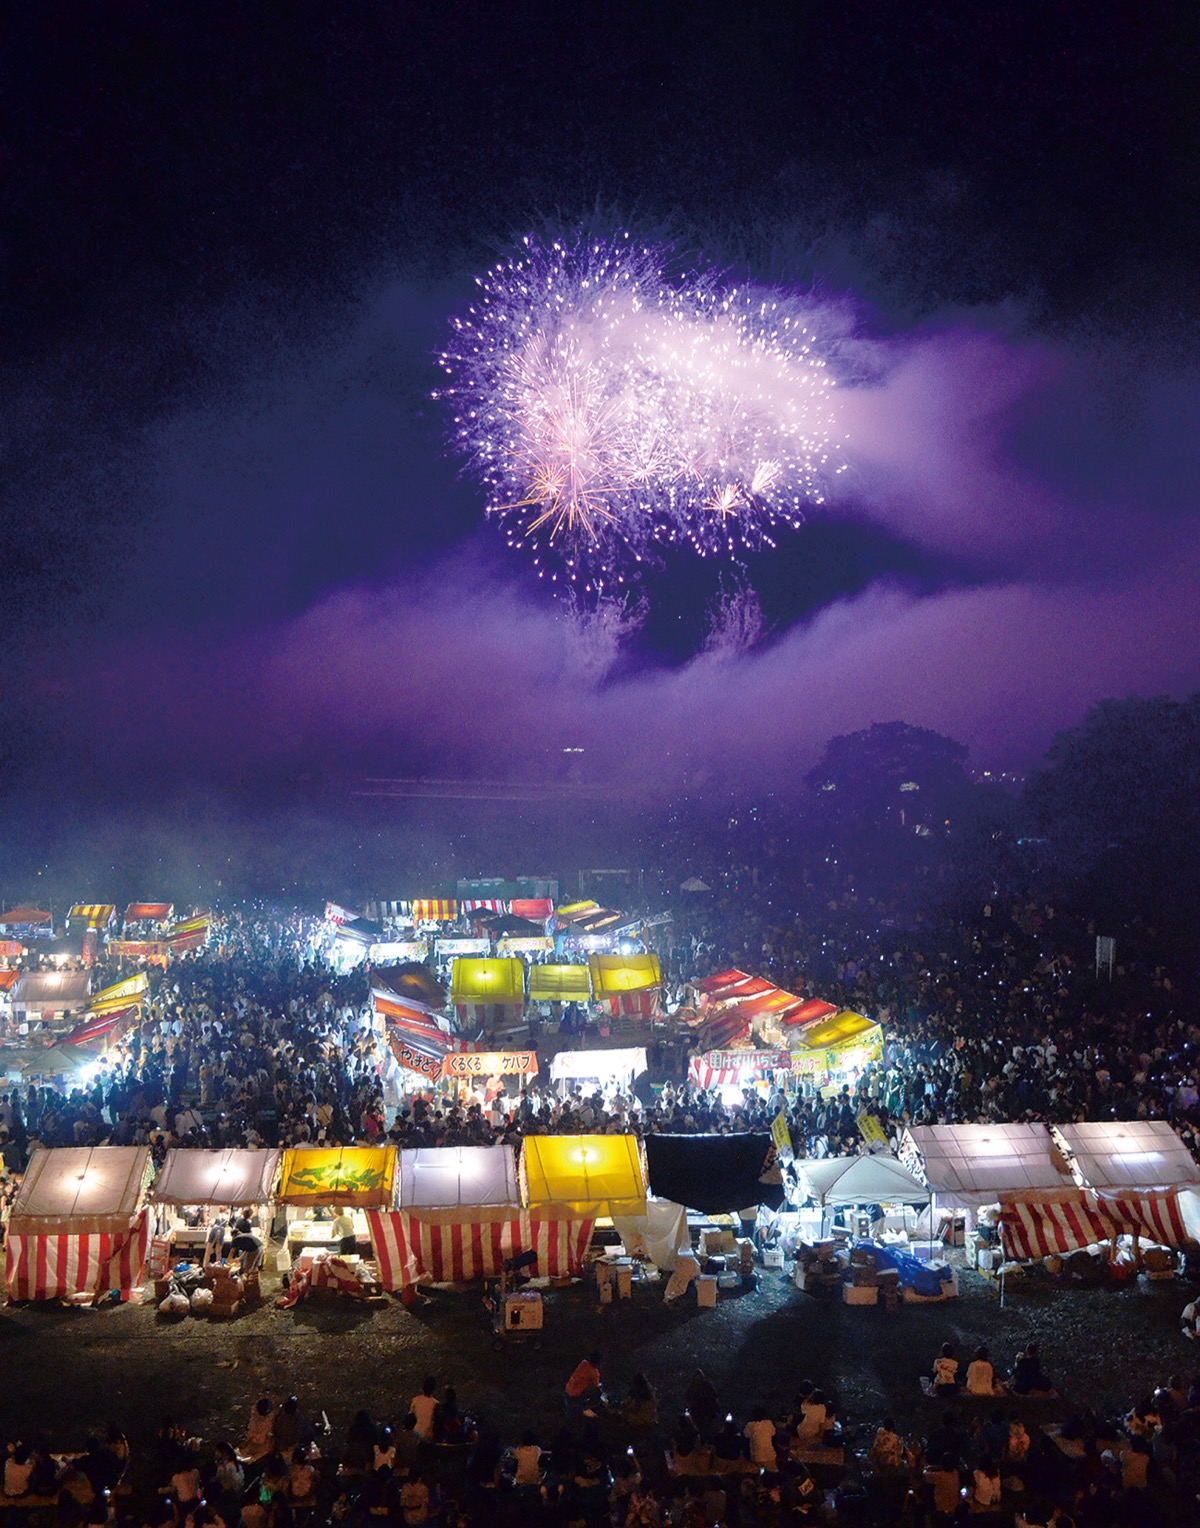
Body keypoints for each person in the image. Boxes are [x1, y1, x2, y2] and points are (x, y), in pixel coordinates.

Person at [564, 1350, 603, 1420]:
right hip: (576, 1395)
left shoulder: (583, 1363)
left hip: (568, 1389)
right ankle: (585, 1408)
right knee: (598, 1393)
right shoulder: (595, 1373)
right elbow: (595, 1386)